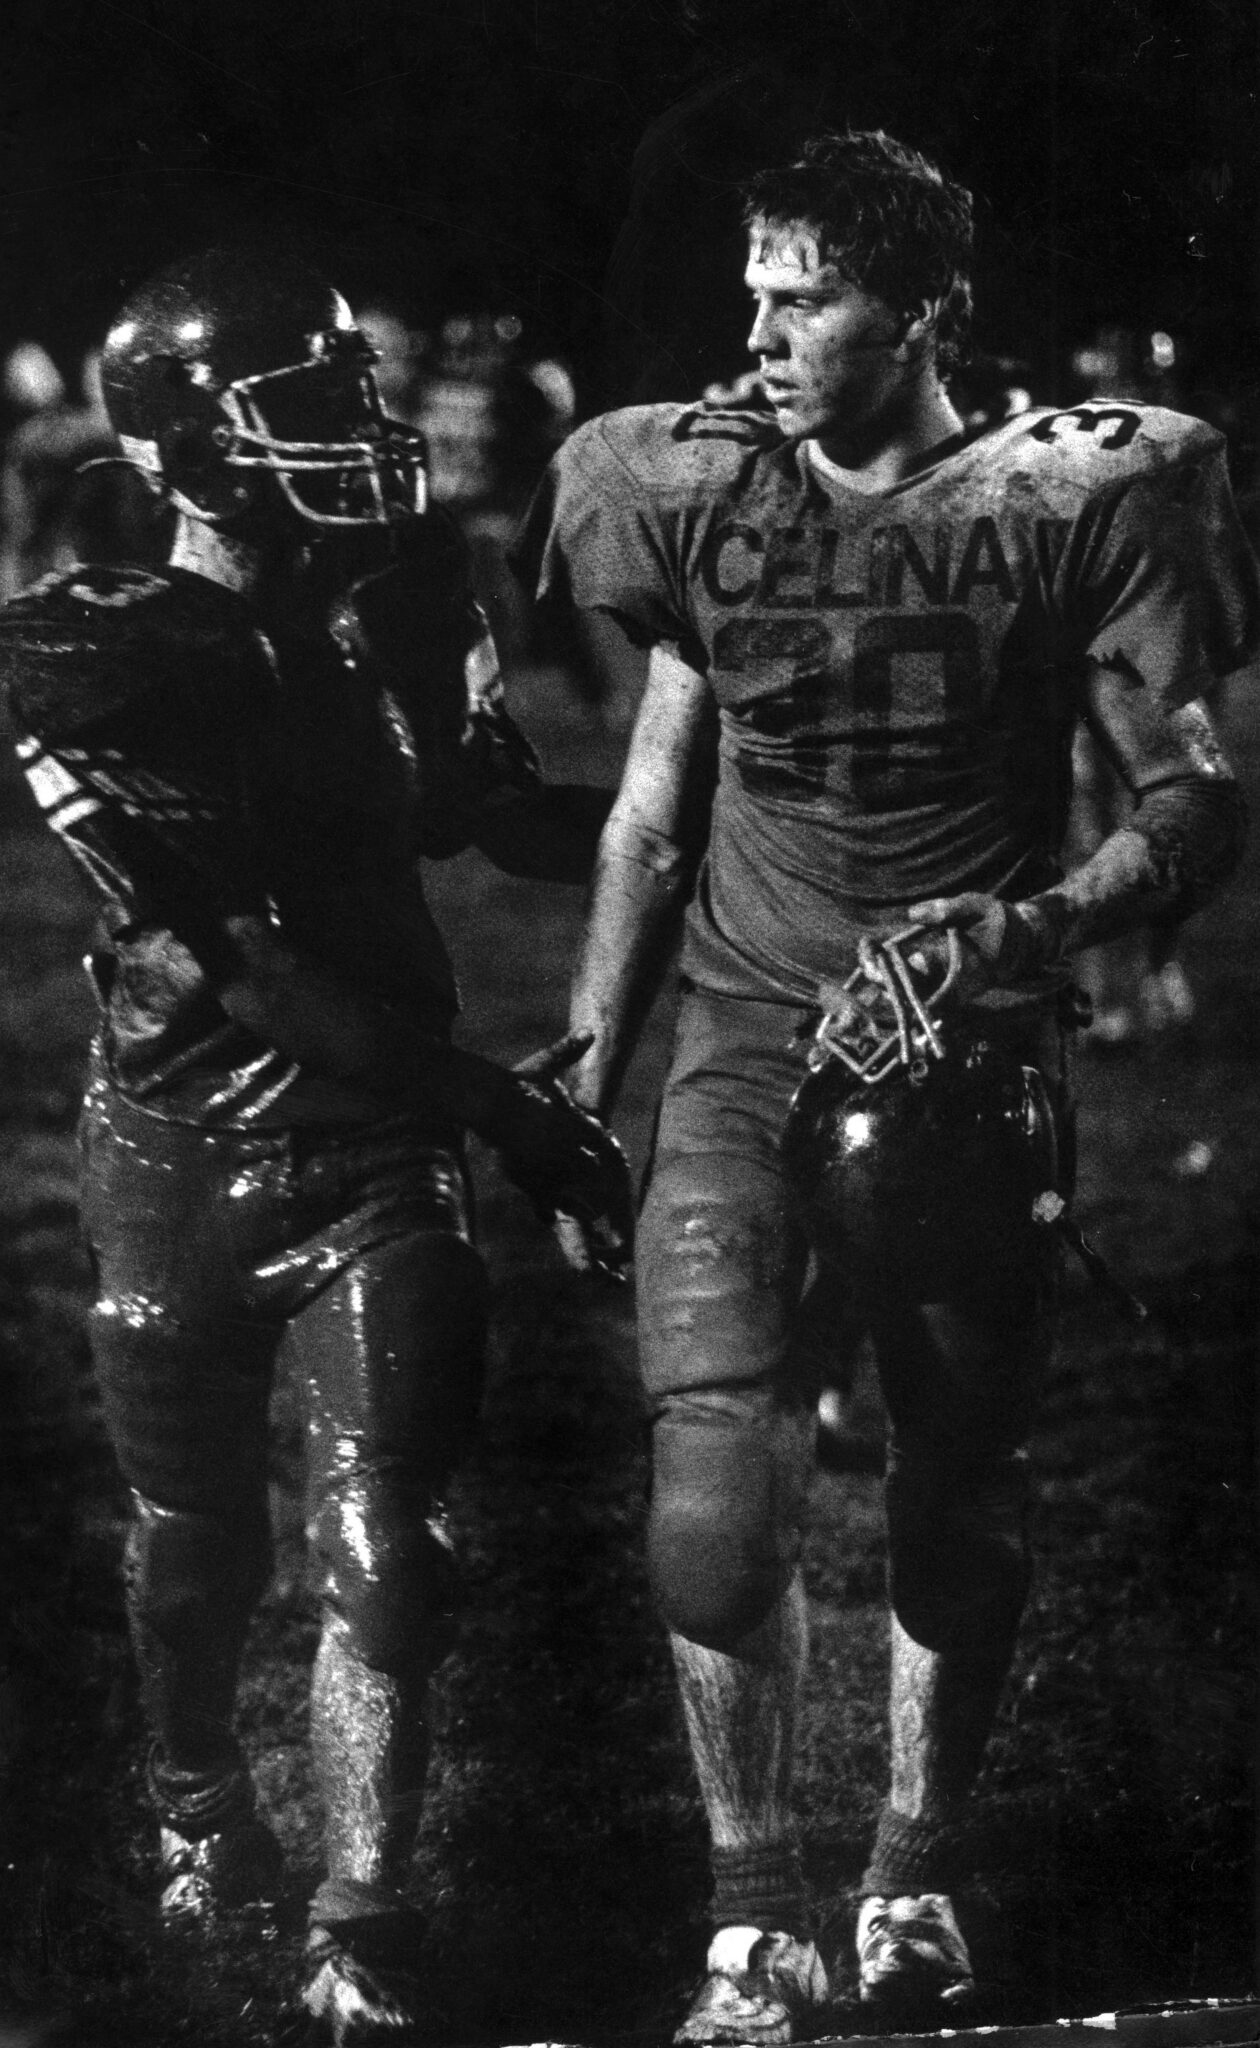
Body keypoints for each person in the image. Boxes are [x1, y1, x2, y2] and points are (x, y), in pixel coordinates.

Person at [512, 129, 1257, 2040]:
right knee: (709, 1496)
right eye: (753, 292)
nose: (761, 333)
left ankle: (911, 1875)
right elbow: (652, 815)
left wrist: (1033, 927)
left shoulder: (1070, 497)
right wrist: (588, 1065)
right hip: (744, 1035)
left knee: (961, 1480)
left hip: (960, 1053)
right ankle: (753, 1911)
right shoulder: (697, 489)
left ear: (926, 311)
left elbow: (1192, 799)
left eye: (810, 297)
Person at [0, 246, 631, 2046]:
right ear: (186, 442)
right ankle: (197, 1802)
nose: (360, 430)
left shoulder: (407, 591)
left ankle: (364, 1910)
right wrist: (510, 1111)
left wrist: (728, 798)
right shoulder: (94, 648)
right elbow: (257, 971)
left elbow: (490, 813)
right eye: (308, 404)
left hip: (377, 1151)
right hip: (178, 1147)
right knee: (196, 1537)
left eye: (354, 392)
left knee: (389, 1542)